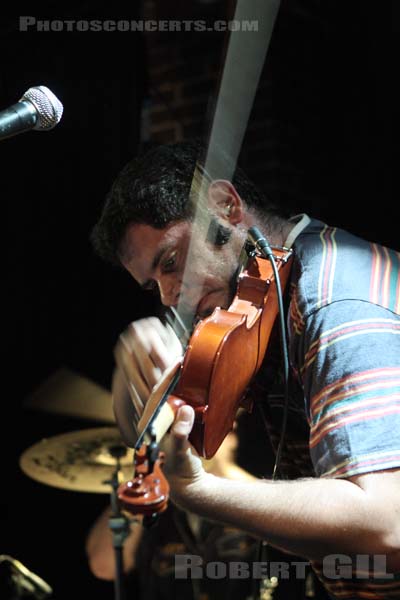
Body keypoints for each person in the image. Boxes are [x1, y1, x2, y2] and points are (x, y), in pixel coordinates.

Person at [90, 140, 400, 599]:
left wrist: (198, 491)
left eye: (171, 263)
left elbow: (386, 525)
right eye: (153, 284)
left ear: (226, 207)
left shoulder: (334, 300)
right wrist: (134, 370)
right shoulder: (265, 301)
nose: (169, 296)